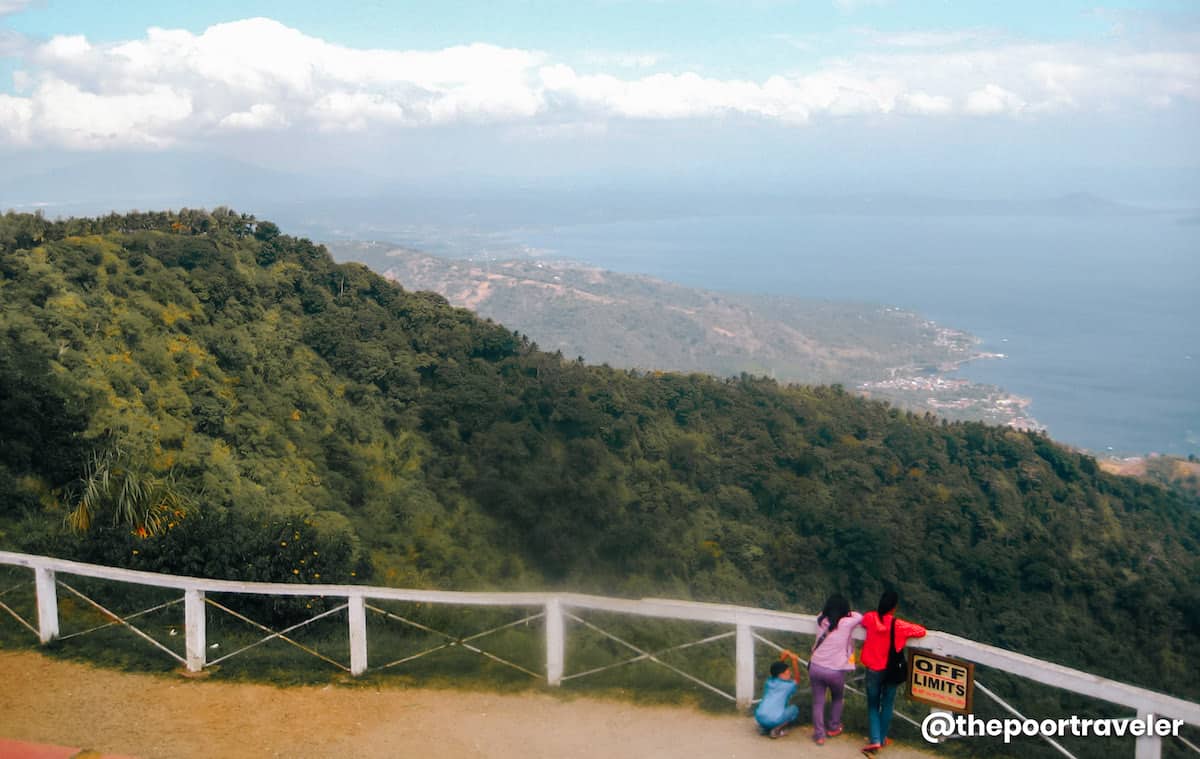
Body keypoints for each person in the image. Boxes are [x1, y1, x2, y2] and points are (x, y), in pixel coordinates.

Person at [859, 590, 926, 754]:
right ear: (894, 607)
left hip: (873, 669)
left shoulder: (870, 618)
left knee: (873, 705)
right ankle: (881, 739)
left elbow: (862, 622)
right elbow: (921, 631)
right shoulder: (899, 625)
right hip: (891, 671)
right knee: (887, 705)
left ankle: (875, 740)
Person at [809, 594, 863, 745]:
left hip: (816, 666)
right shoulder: (847, 622)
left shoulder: (820, 619)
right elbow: (860, 616)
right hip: (835, 670)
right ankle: (833, 727)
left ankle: (819, 735)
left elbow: (824, 613)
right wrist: (847, 612)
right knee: (837, 698)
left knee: (818, 702)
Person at [754, 650, 802, 738]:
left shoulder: (769, 681)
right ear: (781, 674)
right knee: (794, 709)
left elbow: (776, 669)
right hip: (774, 720)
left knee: (770, 712)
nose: (790, 673)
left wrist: (783, 658)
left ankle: (764, 728)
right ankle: (777, 729)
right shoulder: (788, 686)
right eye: (787, 672)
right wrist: (794, 661)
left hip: (759, 717)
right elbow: (797, 679)